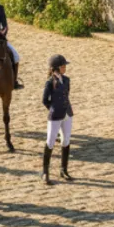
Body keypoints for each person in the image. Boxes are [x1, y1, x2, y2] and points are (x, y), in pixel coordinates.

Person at [41, 54, 74, 184]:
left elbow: (67, 95)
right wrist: (53, 108)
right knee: (50, 141)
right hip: (55, 116)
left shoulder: (67, 80)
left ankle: (64, 169)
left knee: (66, 140)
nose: (65, 67)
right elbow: (44, 100)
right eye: (63, 66)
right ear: (56, 68)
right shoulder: (49, 82)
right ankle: (45, 172)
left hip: (67, 113)